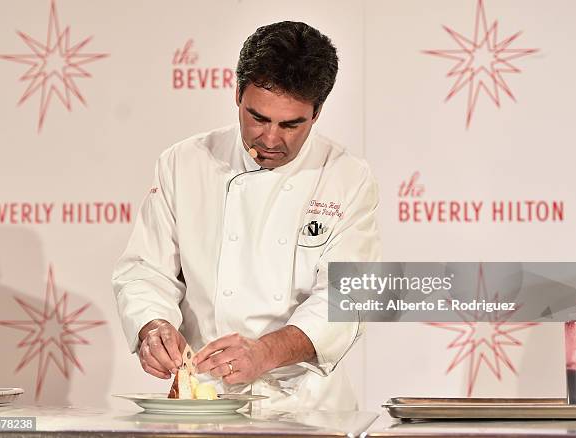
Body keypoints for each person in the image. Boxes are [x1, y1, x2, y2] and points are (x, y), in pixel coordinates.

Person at [112, 21, 380, 411]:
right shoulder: (184, 163)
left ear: (317, 112)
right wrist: (152, 324)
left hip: (307, 407)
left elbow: (350, 297)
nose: (271, 139)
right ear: (237, 94)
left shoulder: (347, 177)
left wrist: (266, 352)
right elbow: (145, 270)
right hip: (204, 400)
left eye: (290, 124)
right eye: (258, 117)